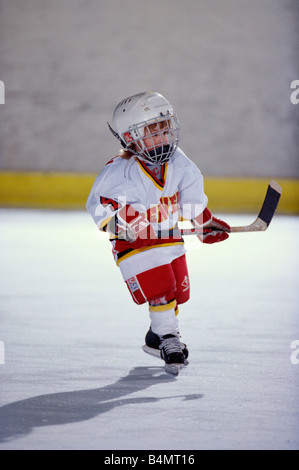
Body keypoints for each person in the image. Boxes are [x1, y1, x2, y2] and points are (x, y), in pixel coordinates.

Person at [86, 91, 230, 373]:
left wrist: (204, 225)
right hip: (135, 246)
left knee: (177, 290)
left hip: (169, 239)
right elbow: (99, 205)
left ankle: (156, 335)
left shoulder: (179, 162)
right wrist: (126, 225)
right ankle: (168, 337)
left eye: (165, 127)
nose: (164, 136)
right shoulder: (120, 171)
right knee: (161, 287)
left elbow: (191, 200)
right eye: (153, 131)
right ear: (130, 138)